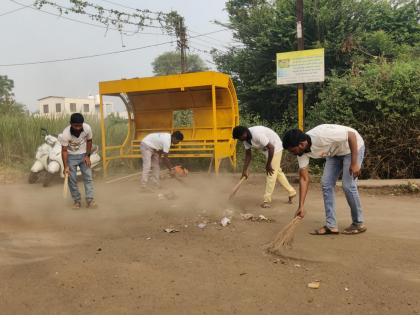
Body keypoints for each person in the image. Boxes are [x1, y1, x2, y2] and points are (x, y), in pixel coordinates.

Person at [282, 124, 366, 235]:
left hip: (352, 148)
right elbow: (304, 178)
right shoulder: (301, 152)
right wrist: (301, 206)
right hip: (334, 153)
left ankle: (358, 223)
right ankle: (331, 226)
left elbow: (351, 136)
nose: (293, 154)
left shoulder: (322, 134)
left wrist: (354, 163)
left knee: (348, 185)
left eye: (293, 151)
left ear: (302, 144)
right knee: (326, 184)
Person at [232, 126, 296, 208]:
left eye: (239, 138)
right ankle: (292, 192)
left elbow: (271, 147)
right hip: (267, 150)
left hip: (275, 147)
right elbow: (248, 155)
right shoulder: (245, 139)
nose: (240, 140)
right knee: (277, 172)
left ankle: (267, 200)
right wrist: (244, 171)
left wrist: (268, 164)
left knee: (271, 173)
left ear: (244, 133)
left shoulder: (257, 134)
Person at [60, 113, 97, 209]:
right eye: (75, 125)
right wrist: (66, 166)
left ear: (82, 123)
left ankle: (90, 200)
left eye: (80, 125)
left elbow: (89, 141)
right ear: (70, 124)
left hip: (83, 155)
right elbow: (64, 150)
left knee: (88, 178)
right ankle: (77, 201)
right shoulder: (65, 134)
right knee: (72, 180)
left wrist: (87, 156)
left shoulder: (87, 128)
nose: (77, 128)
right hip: (71, 157)